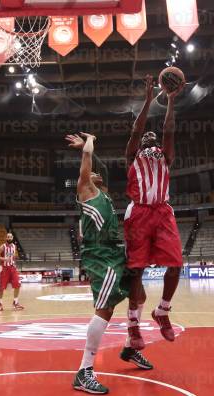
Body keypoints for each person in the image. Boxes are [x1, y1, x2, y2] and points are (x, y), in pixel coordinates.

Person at [67, 132, 152, 395]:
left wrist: (95, 155)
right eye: (93, 173)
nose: (98, 174)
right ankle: (84, 370)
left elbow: (99, 167)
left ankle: (130, 346)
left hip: (116, 253)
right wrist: (88, 142)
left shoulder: (102, 191)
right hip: (99, 256)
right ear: (87, 179)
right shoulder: (85, 189)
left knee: (139, 294)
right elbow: (89, 163)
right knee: (104, 309)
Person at [123, 74, 185, 346]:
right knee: (136, 272)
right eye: (145, 135)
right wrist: (148, 101)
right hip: (139, 214)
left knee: (176, 264)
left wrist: (170, 101)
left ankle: (162, 311)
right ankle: (133, 325)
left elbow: (169, 128)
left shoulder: (165, 156)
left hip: (162, 212)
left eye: (153, 135)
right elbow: (137, 131)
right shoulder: (132, 156)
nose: (149, 135)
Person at [0, 233, 24, 311]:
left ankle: (15, 302)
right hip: (4, 268)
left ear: (12, 238)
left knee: (17, 285)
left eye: (10, 237)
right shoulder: (2, 246)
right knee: (1, 287)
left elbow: (13, 257)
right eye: (8, 237)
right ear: (6, 238)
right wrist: (4, 259)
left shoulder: (14, 246)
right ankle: (0, 303)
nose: (9, 238)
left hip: (12, 268)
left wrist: (15, 264)